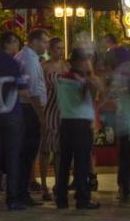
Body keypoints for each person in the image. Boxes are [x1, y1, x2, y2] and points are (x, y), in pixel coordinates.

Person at [55, 49, 101, 210]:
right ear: (75, 62)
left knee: (65, 163)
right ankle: (82, 199)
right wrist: (91, 77)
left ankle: (61, 199)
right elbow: (92, 93)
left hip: (66, 122)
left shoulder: (61, 78)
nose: (87, 63)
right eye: (84, 60)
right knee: (82, 162)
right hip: (80, 123)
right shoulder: (80, 79)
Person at [0, 32, 25, 211]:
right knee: (13, 158)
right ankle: (13, 199)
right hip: (12, 115)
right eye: (17, 43)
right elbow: (23, 87)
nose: (18, 47)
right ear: (9, 42)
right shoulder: (14, 63)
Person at [15, 29, 49, 206]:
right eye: (44, 41)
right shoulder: (28, 59)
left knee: (26, 154)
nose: (46, 45)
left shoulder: (27, 57)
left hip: (28, 109)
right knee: (27, 153)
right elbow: (33, 90)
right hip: (30, 110)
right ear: (34, 41)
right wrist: (41, 116)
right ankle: (21, 192)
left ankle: (22, 191)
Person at [39, 37, 67, 201]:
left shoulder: (66, 66)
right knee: (45, 150)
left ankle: (59, 183)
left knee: (59, 150)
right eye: (57, 48)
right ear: (50, 49)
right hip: (48, 109)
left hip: (62, 110)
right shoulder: (44, 67)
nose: (60, 51)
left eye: (62, 48)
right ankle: (43, 184)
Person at [108, 46, 130, 204]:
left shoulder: (118, 72)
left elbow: (112, 93)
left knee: (124, 156)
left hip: (124, 119)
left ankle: (124, 188)